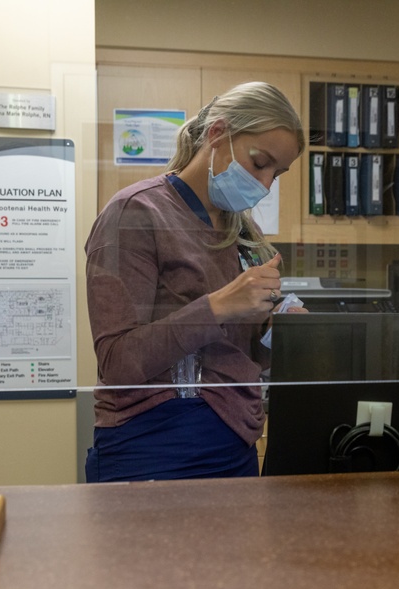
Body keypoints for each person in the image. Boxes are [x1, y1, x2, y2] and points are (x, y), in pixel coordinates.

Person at [84, 81, 305, 482]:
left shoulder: (244, 232)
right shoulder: (134, 214)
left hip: (236, 439)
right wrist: (219, 306)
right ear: (217, 134)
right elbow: (117, 362)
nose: (267, 184)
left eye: (279, 172)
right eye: (260, 163)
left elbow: (236, 354)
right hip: (152, 443)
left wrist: (277, 330)